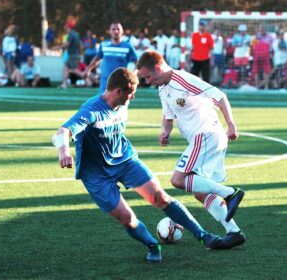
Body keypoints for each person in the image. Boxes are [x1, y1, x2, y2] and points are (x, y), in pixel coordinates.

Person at [52, 67, 239, 264]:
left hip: (125, 160)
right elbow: (62, 131)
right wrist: (64, 151)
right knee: (127, 218)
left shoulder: (121, 101)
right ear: (118, 92)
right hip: (96, 174)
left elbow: (131, 74)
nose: (132, 98)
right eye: (131, 93)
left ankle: (204, 236)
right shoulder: (92, 111)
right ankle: (152, 245)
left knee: (161, 198)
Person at [137, 50, 246, 247]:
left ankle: (230, 193)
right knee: (201, 192)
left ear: (159, 68)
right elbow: (168, 116)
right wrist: (165, 132)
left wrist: (231, 124)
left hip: (205, 135)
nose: (147, 81)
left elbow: (219, 96)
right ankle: (234, 232)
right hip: (206, 138)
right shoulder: (163, 88)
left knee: (178, 180)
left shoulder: (184, 80)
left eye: (148, 76)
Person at [86, 21, 137, 93]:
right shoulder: (104, 45)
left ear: (122, 31)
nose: (116, 31)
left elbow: (138, 63)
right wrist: (88, 70)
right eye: (113, 29)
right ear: (109, 31)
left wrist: (132, 76)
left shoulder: (128, 46)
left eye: (118, 29)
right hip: (104, 87)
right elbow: (97, 59)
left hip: (121, 87)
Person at [52, 19, 82, 89]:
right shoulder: (76, 34)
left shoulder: (71, 34)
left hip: (72, 55)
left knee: (74, 70)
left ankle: (86, 76)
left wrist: (56, 47)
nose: (65, 28)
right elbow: (80, 45)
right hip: (75, 55)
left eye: (66, 27)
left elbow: (66, 44)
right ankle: (64, 84)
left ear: (69, 27)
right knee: (66, 68)